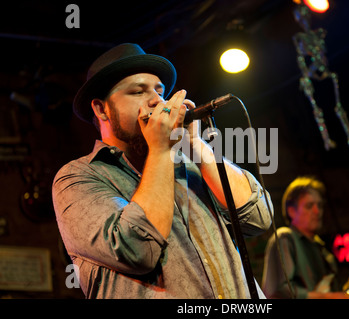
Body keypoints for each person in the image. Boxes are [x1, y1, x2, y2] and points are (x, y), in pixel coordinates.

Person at [52, 43, 273, 299]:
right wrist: (160, 149)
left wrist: (196, 145)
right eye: (137, 91)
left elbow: (258, 217)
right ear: (101, 109)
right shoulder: (78, 177)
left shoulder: (191, 166)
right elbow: (136, 249)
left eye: (160, 91)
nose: (158, 101)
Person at [261, 176, 349, 299]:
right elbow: (280, 292)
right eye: (309, 206)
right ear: (292, 211)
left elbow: (330, 292)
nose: (317, 211)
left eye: (319, 205)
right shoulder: (285, 238)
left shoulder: (323, 251)